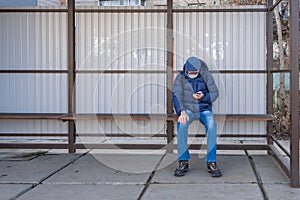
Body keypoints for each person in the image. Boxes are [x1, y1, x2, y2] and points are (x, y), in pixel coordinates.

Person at [172, 56, 221, 177]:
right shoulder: (180, 77)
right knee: (181, 125)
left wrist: (203, 96)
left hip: (204, 110)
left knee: (212, 125)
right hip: (188, 110)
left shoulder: (207, 75)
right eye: (191, 73)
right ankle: (183, 161)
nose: (193, 74)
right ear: (186, 70)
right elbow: (176, 95)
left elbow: (215, 93)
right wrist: (181, 111)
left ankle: (211, 162)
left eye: (195, 73)